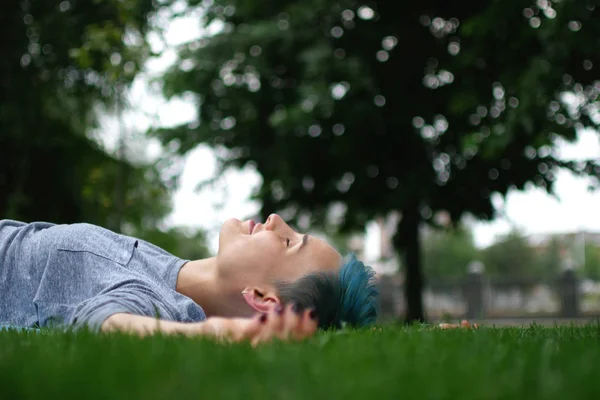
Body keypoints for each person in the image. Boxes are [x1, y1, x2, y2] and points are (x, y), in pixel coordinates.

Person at [0, 214, 379, 345]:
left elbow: (103, 323)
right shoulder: (166, 271)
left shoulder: (158, 301)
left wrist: (216, 335)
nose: (276, 219)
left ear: (263, 299)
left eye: (288, 242)